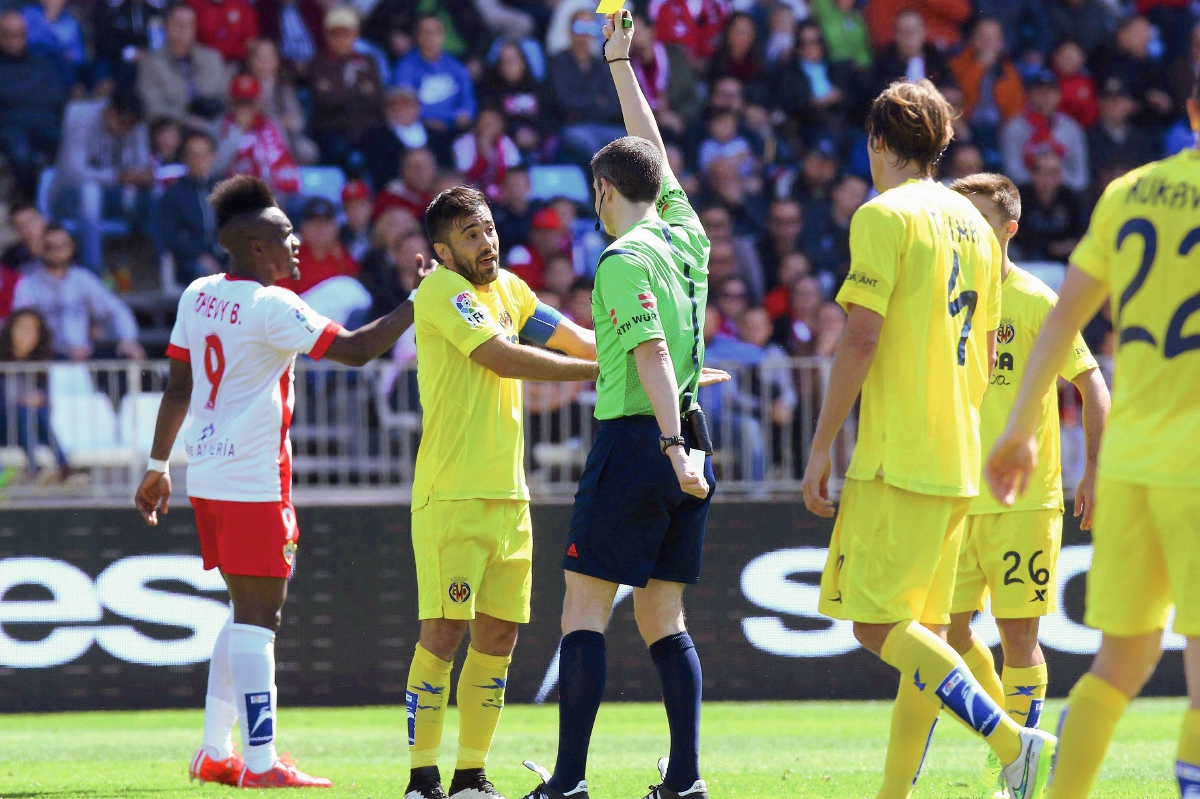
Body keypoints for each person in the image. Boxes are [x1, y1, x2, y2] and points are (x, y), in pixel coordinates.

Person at [799, 79, 1056, 799]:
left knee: (878, 628)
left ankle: (1015, 742)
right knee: (927, 633)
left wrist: (823, 446)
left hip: (900, 453)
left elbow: (861, 335)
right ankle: (895, 792)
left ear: (879, 141)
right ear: (939, 144)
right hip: (959, 456)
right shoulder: (975, 225)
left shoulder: (884, 215)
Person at [134, 174, 423, 789]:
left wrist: (159, 467)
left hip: (207, 474)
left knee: (243, 615)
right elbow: (355, 349)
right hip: (253, 480)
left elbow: (180, 385)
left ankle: (216, 752)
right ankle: (262, 763)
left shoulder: (198, 294)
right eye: (285, 236)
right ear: (256, 247)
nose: (297, 245)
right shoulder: (273, 305)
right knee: (261, 619)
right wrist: (415, 303)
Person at [986, 77, 1200, 799]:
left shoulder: (1128, 191)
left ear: (1190, 112)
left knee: (1120, 664)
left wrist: (1018, 431)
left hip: (1136, 460)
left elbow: (1062, 319)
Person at [521, 11, 717, 799]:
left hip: (645, 437)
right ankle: (686, 780)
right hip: (696, 434)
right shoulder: (686, 236)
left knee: (583, 604)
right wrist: (620, 64)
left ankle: (568, 780)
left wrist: (669, 445)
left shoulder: (619, 258)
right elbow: (655, 156)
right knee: (663, 615)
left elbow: (651, 353)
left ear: (604, 191)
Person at [401, 185, 601, 799]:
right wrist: (608, 371)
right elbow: (503, 358)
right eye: (470, 234)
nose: (486, 242)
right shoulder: (441, 291)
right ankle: (421, 777)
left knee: (498, 636)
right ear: (442, 250)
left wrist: (663, 363)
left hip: (510, 498)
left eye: (488, 229)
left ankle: (471, 775)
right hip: (452, 493)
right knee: (443, 632)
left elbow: (578, 340)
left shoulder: (511, 291)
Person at [944, 173, 1110, 793]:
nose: (963, 229)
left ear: (1008, 229)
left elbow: (1093, 385)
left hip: (1024, 501)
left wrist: (1094, 469)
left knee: (1019, 638)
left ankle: (1013, 777)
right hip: (956, 495)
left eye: (977, 218)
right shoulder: (948, 297)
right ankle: (1012, 741)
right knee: (947, 635)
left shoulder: (1036, 300)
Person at [12, 225, 143, 361]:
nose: (57, 252)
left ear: (72, 247)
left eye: (63, 245)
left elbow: (116, 310)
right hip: (47, 359)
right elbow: (21, 324)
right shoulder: (28, 283)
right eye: (50, 247)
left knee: (127, 357)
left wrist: (128, 339)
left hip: (83, 356)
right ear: (41, 249)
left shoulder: (83, 279)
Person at [0, 8, 66, 200]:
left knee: (68, 147)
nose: (15, 40)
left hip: (44, 123)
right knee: (21, 155)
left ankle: (56, 207)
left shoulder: (42, 62)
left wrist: (15, 95)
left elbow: (55, 95)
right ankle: (27, 204)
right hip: (9, 126)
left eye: (20, 34)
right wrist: (30, 92)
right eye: (8, 35)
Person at [308, 6, 383, 171]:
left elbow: (377, 98)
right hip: (333, 128)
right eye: (336, 34)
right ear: (327, 36)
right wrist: (359, 93)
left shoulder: (368, 61)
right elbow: (324, 101)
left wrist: (340, 92)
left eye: (347, 34)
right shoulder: (318, 64)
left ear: (356, 35)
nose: (342, 39)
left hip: (366, 127)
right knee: (340, 152)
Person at [0, 308, 68, 480]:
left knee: (35, 411)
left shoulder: (40, 365)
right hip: (4, 425)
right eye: (22, 328)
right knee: (25, 410)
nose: (27, 335)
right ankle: (58, 467)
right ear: (10, 330)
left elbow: (48, 407)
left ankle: (56, 468)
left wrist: (40, 399)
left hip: (30, 426)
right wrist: (22, 402)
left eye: (32, 330)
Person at [136, 3, 230, 124]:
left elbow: (225, 99)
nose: (182, 28)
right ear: (166, 26)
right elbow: (153, 108)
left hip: (211, 126)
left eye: (188, 24)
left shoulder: (212, 59)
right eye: (177, 23)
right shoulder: (151, 64)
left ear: (195, 28)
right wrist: (187, 119)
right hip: (171, 128)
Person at [216, 74, 300, 198]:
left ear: (259, 104)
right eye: (240, 103)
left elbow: (285, 159)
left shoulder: (272, 124)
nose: (245, 109)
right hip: (236, 194)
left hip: (275, 191)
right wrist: (238, 131)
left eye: (249, 103)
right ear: (231, 104)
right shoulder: (220, 126)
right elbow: (216, 166)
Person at [158, 130, 225, 283]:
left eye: (204, 154)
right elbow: (171, 237)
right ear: (184, 159)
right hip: (192, 260)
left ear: (213, 157)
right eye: (193, 155)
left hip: (226, 256)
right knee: (201, 272)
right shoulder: (173, 194)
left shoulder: (227, 188)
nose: (199, 160)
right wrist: (201, 255)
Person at [185, 0, 257, 64]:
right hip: (200, 61)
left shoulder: (243, 6)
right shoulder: (194, 3)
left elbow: (250, 43)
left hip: (234, 65)